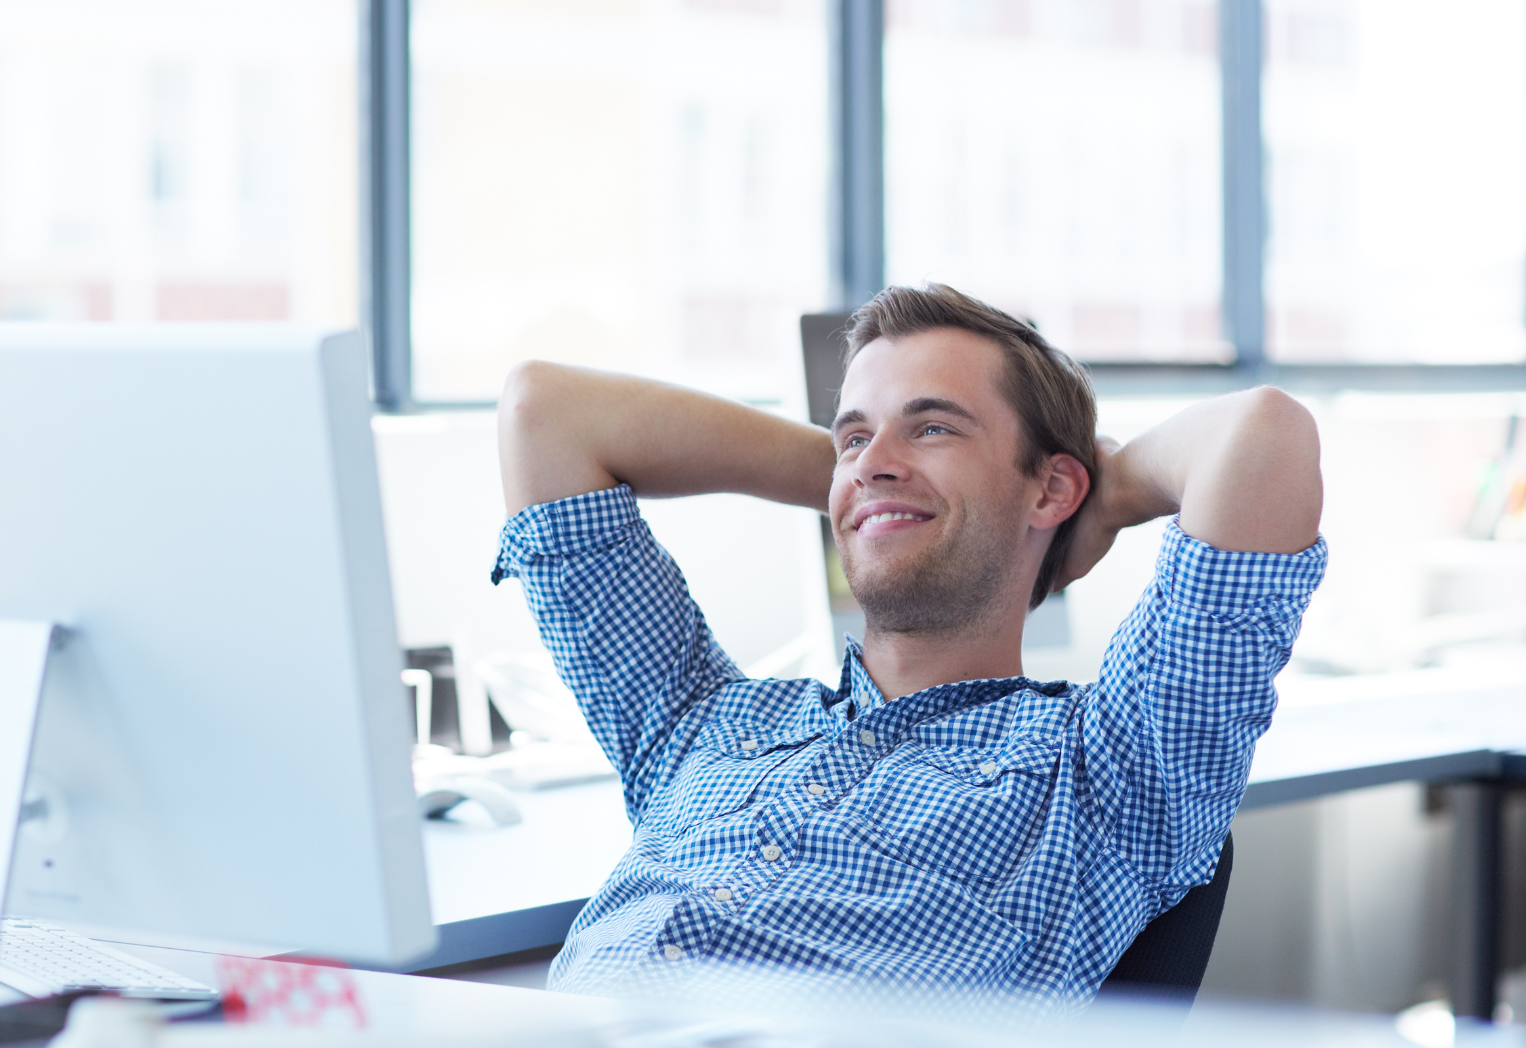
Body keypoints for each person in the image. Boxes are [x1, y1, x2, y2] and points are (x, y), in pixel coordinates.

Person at [490, 284, 1326, 1016]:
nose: (872, 461)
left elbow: (1262, 437)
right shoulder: (696, 722)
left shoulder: (1107, 772)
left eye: (932, 427)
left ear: (1052, 485)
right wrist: (869, 483)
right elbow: (543, 411)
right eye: (851, 438)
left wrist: (1096, 504)